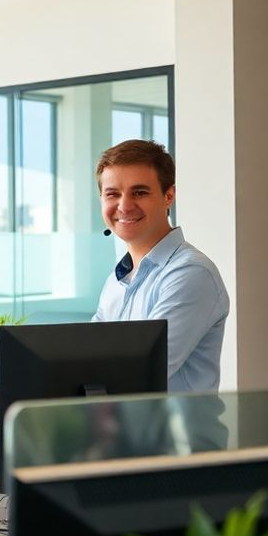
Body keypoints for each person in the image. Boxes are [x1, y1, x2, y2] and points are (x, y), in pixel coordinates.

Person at [93, 139, 228, 392]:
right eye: (112, 194)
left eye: (140, 192)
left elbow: (142, 370)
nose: (124, 206)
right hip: (120, 430)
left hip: (174, 433)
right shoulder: (117, 280)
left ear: (169, 196)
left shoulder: (190, 274)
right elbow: (82, 357)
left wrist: (43, 391)